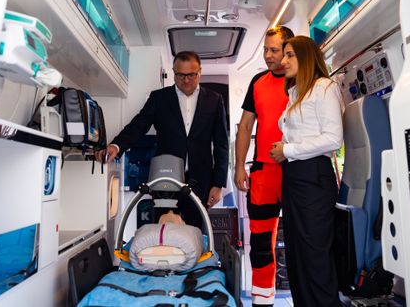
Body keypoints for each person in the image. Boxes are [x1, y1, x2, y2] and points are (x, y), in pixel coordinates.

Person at [97, 51, 229, 229]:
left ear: (200, 72)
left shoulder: (214, 100)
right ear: (173, 73)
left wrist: (218, 184)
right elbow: (138, 126)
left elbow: (221, 145)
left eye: (191, 75)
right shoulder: (159, 98)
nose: (186, 80)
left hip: (201, 181)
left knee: (196, 232)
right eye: (180, 75)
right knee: (163, 232)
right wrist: (117, 145)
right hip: (165, 178)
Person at [269, 35, 343, 307]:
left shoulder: (324, 88)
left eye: (290, 55)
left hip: (314, 178)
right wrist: (284, 147)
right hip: (295, 178)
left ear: (306, 58)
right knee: (297, 255)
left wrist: (287, 150)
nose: (283, 61)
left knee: (314, 256)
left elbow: (333, 139)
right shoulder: (295, 92)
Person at [234, 26, 294, 306]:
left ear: (288, 50)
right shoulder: (258, 82)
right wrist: (239, 167)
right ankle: (262, 301)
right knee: (260, 244)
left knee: (301, 239)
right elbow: (245, 126)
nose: (268, 55)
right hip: (263, 172)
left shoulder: (302, 81)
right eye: (265, 50)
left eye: (274, 50)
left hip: (295, 170)